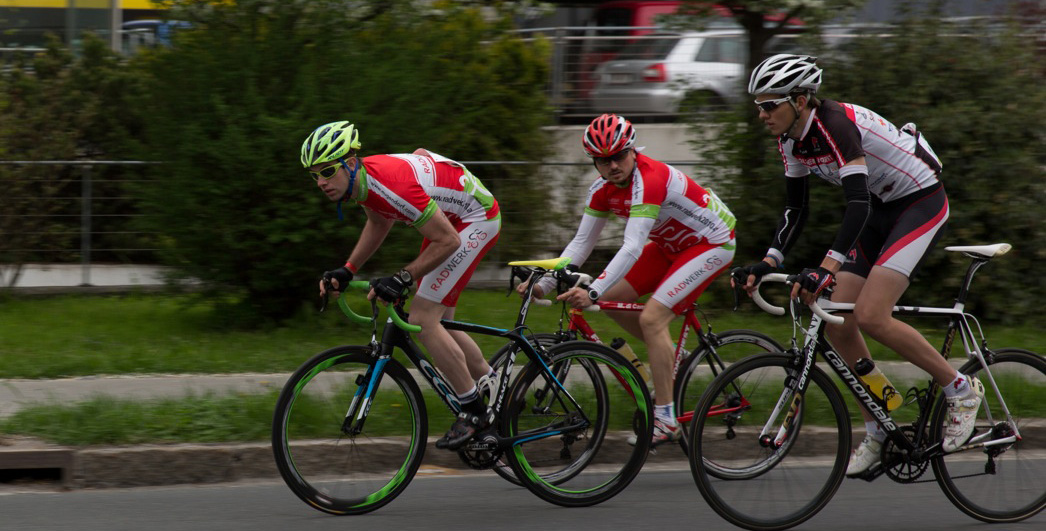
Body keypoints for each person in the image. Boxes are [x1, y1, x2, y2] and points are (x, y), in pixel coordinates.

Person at [735, 54, 983, 476]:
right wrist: (767, 261)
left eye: (769, 104)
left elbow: (856, 202)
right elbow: (796, 209)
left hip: (919, 203)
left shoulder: (835, 124)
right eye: (758, 105)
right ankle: (881, 421)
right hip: (879, 210)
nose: (761, 114)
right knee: (837, 321)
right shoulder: (791, 140)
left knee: (870, 315)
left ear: (799, 99)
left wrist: (826, 267)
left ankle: (960, 388)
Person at [520, 113, 737, 447]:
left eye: (619, 156)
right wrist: (544, 283)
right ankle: (666, 354)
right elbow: (581, 244)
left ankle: (666, 419)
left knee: (650, 317)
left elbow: (633, 246)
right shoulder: (602, 190)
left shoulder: (649, 179)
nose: (612, 166)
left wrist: (592, 290)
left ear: (633, 151)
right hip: (669, 246)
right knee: (611, 303)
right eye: (603, 160)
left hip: (711, 243)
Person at [301, 120, 502, 451]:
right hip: (451, 218)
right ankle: (491, 387)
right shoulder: (362, 183)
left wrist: (402, 277)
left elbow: (449, 241)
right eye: (314, 175)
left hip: (473, 219)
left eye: (327, 171)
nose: (321, 182)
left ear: (350, 163)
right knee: (442, 320)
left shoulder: (387, 184)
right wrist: (349, 269)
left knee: (424, 319)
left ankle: (476, 414)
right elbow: (379, 221)